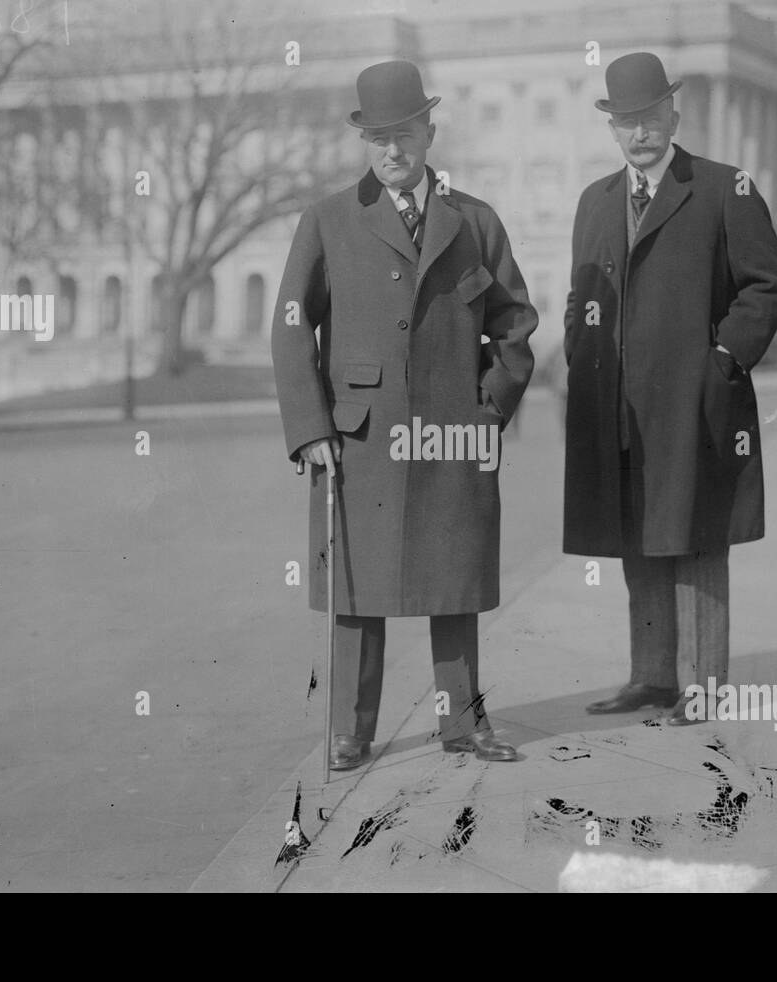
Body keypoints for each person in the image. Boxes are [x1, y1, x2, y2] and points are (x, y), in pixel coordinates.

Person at [271, 60, 538, 769]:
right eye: (380, 137)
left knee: (455, 583)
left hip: (453, 435)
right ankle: (350, 730)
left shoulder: (475, 221)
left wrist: (487, 412)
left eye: (408, 133)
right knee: (358, 589)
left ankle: (465, 725)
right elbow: (293, 325)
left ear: (430, 131)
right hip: (359, 440)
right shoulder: (327, 221)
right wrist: (311, 430)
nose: (395, 150)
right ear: (365, 141)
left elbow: (514, 327)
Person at [561, 53, 777, 721]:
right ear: (613, 129)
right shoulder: (596, 201)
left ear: (674, 115)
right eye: (627, 122)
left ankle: (704, 686)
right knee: (640, 541)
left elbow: (768, 286)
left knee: (696, 540)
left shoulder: (726, 187)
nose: (641, 133)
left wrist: (721, 357)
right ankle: (653, 676)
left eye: (651, 118)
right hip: (619, 411)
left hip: (696, 405)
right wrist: (583, 348)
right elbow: (584, 296)